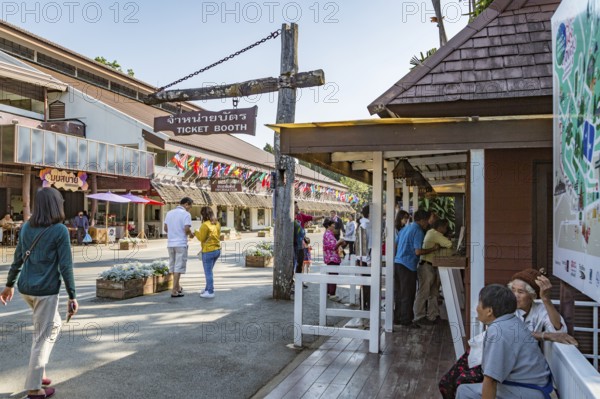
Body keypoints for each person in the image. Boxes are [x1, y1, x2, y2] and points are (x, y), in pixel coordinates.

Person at [438, 268, 576, 399]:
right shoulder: (508, 314)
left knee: (464, 389)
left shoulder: (504, 326)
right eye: (513, 290)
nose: (515, 295)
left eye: (521, 292)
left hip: (530, 388)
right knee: (450, 382)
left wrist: (546, 299)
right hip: (518, 376)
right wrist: (544, 335)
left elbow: (559, 330)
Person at [1, 187, 78, 399]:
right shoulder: (60, 230)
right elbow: (66, 266)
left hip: (26, 288)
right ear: (56, 205)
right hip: (45, 291)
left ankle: (40, 370)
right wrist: (73, 295)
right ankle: (34, 389)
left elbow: (17, 258)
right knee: (43, 336)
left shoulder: (26, 227)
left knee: (52, 325)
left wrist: (9, 285)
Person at [456, 284, 554, 399]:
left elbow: (490, 380)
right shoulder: (512, 321)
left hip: (529, 391)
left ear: (489, 311)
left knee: (464, 391)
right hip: (532, 387)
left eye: (479, 304)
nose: (477, 308)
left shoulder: (498, 331)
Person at [393, 209, 439, 329]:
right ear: (423, 220)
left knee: (399, 293)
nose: (428, 223)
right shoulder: (418, 230)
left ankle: (397, 318)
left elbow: (395, 243)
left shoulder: (406, 228)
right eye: (427, 221)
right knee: (408, 294)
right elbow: (418, 251)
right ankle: (406, 321)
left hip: (397, 262)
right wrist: (433, 249)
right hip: (408, 265)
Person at [414, 218, 453, 325]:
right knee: (424, 292)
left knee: (434, 292)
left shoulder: (431, 232)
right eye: (445, 227)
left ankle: (433, 315)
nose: (446, 230)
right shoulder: (435, 233)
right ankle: (419, 316)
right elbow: (449, 244)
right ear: (440, 227)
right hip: (427, 266)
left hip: (431, 265)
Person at [164, 197, 194, 298]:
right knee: (179, 266)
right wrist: (191, 234)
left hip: (170, 243)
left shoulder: (169, 213)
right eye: (190, 206)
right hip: (181, 243)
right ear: (186, 204)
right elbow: (186, 229)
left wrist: (173, 233)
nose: (190, 208)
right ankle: (174, 290)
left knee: (173, 266)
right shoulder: (186, 214)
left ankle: (177, 286)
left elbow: (165, 228)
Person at [195, 206, 221, 298]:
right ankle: (207, 289)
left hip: (208, 251)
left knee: (208, 272)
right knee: (209, 271)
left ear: (203, 215)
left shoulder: (205, 225)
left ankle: (210, 292)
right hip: (217, 250)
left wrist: (195, 232)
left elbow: (201, 238)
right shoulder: (216, 223)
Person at [356, 205, 372, 310]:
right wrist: (368, 260)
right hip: (365, 259)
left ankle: (365, 304)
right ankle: (365, 305)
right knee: (367, 285)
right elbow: (367, 245)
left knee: (366, 285)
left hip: (363, 258)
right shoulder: (366, 225)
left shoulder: (363, 224)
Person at [323, 218, 344, 301]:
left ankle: (329, 292)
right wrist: (340, 242)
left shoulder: (329, 234)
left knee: (330, 275)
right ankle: (332, 294)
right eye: (333, 225)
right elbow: (332, 247)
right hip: (332, 257)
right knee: (333, 276)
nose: (334, 227)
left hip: (331, 257)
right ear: (328, 226)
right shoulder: (328, 234)